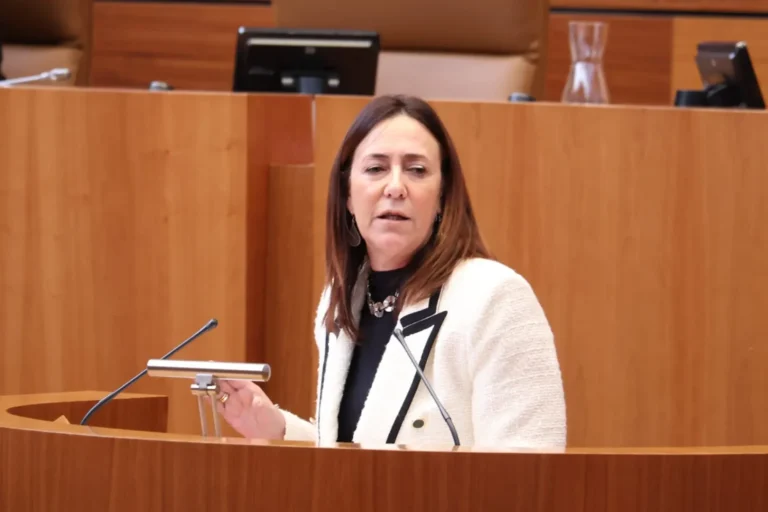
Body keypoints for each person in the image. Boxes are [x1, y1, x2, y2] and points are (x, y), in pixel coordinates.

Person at [215, 94, 567, 448]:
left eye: (416, 170)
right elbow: (357, 450)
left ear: (443, 195)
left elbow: (530, 468)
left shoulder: (495, 297)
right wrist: (276, 429)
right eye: (375, 168)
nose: (395, 187)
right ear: (348, 196)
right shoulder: (341, 301)